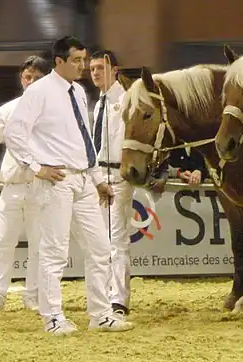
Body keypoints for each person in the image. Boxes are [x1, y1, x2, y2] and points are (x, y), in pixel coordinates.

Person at [3, 36, 134, 335]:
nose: (83, 66)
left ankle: (100, 314)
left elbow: (84, 137)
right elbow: (14, 132)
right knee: (54, 252)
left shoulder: (78, 91)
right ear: (59, 61)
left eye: (84, 60)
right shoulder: (39, 91)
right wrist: (36, 167)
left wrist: (98, 179)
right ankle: (52, 317)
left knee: (101, 248)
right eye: (76, 60)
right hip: (56, 179)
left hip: (84, 178)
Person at [0, 55, 51, 312]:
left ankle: (33, 295)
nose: (31, 82)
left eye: (37, 78)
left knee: (39, 245)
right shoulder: (9, 109)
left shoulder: (55, 112)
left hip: (41, 185)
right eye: (28, 77)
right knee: (3, 241)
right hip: (13, 184)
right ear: (21, 78)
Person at [87, 49, 133, 316]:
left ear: (115, 70)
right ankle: (104, 294)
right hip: (98, 177)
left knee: (117, 240)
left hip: (118, 177)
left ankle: (119, 300)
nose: (95, 73)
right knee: (100, 241)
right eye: (92, 69)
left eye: (100, 68)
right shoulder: (99, 102)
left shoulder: (125, 101)